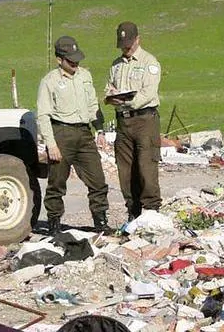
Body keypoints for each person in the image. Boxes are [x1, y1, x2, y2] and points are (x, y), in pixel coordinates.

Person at [37, 35, 111, 235]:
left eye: (77, 59)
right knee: (57, 183)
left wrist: (100, 130)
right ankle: (54, 224)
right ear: (59, 60)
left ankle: (101, 221)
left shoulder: (85, 76)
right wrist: (51, 144)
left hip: (84, 133)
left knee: (97, 180)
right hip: (61, 132)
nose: (75, 64)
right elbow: (43, 115)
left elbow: (93, 104)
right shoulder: (49, 81)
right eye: (71, 61)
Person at [104, 21, 162, 222]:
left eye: (129, 44)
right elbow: (109, 87)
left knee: (146, 167)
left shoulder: (149, 62)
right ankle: (133, 211)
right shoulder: (116, 65)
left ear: (138, 39)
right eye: (122, 45)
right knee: (125, 170)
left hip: (144, 120)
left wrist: (128, 102)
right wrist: (111, 96)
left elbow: (148, 92)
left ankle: (152, 210)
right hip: (123, 122)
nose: (126, 48)